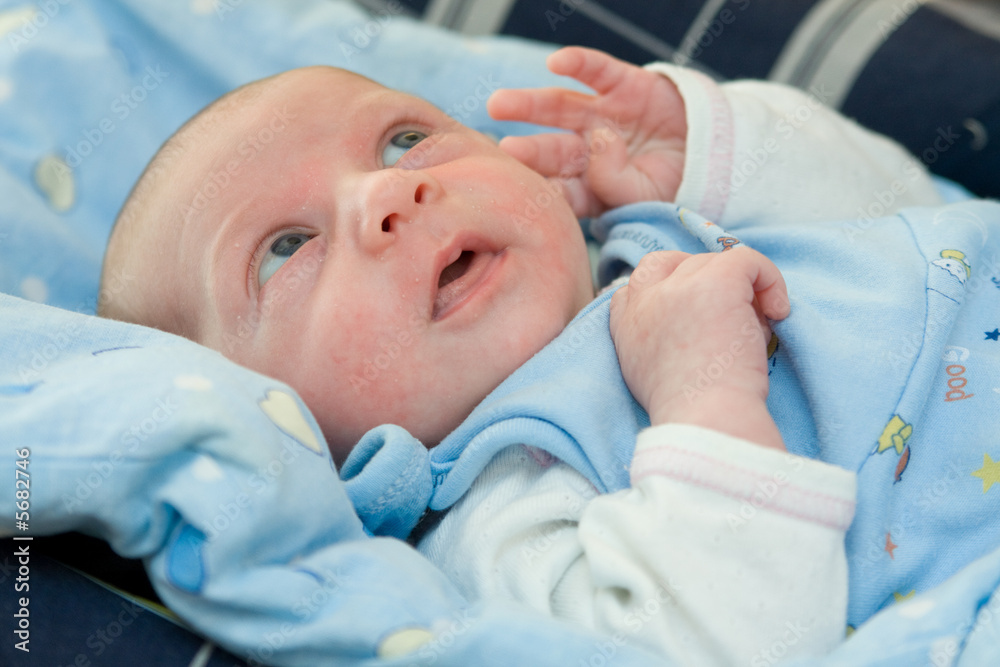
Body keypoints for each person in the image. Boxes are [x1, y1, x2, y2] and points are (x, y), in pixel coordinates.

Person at [97, 46, 1000, 664]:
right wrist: (704, 398)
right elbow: (721, 644)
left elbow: (910, 210)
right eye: (285, 248)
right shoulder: (502, 509)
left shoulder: (654, 231)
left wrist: (716, 155)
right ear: (275, 419)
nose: (390, 188)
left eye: (405, 139)